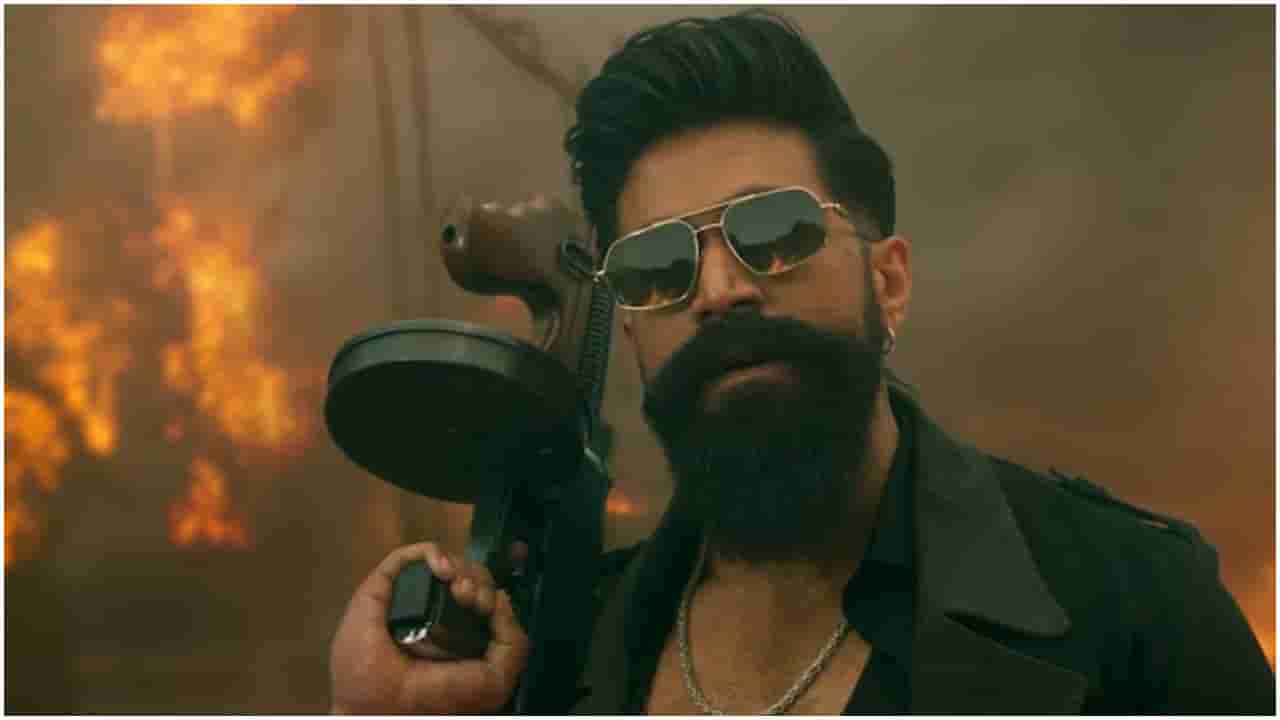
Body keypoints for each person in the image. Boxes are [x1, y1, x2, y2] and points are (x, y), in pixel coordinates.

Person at [329, 10, 1275, 714]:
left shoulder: (1138, 614)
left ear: (887, 282)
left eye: (773, 231)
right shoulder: (548, 657)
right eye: (657, 265)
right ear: (632, 329)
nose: (718, 291)